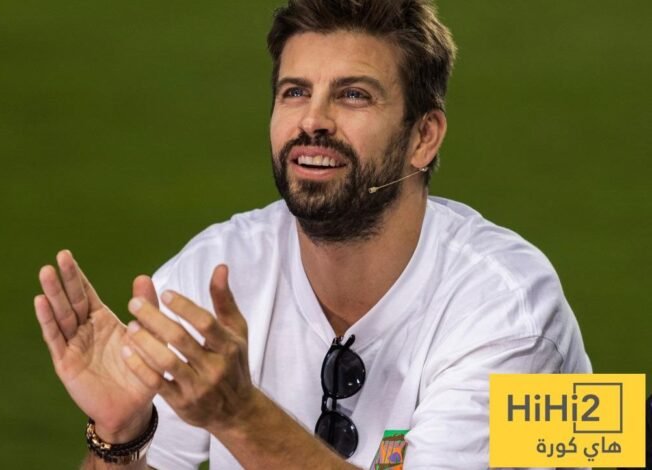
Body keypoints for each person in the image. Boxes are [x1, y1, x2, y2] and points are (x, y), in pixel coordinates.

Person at [33, 0, 591, 468]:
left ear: (424, 136)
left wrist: (240, 414)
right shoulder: (214, 273)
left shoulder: (512, 310)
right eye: (295, 92)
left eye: (353, 95)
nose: (312, 120)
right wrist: (121, 435)